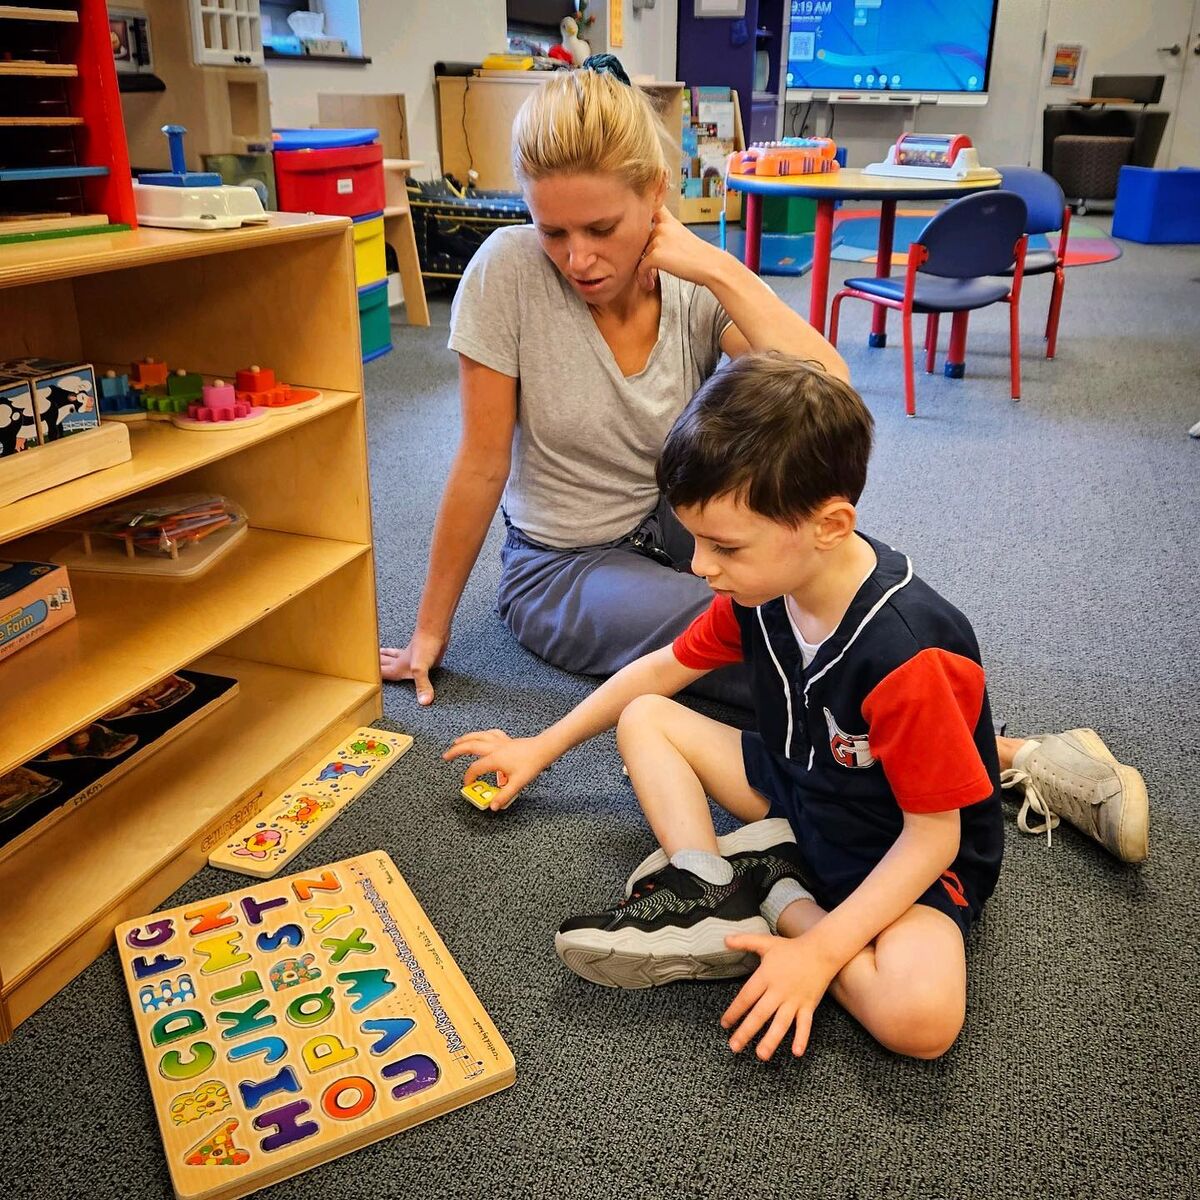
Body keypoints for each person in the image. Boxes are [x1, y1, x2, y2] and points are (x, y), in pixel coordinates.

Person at [388, 61, 1148, 860]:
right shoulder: (505, 273)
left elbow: (830, 394)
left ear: (654, 199)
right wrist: (429, 631)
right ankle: (1010, 757)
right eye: (554, 231)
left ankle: (961, 755)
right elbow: (479, 464)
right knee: (759, 641)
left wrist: (714, 265)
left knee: (819, 565)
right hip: (566, 563)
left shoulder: (689, 276)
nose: (576, 258)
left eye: (602, 228)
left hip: (681, 522)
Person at [447, 353, 1005, 1061]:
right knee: (646, 714)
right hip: (798, 791)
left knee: (920, 1023)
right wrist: (542, 745)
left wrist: (819, 949)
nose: (699, 566)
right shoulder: (760, 586)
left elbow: (934, 839)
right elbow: (657, 671)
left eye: (723, 546)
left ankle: (777, 896)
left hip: (894, 847)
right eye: (696, 539)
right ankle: (704, 879)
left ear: (829, 526)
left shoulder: (910, 655)